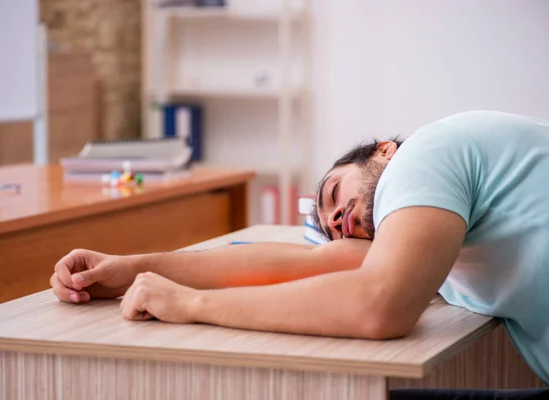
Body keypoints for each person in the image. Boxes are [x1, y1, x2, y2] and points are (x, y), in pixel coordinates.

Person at [50, 110, 549, 397]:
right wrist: (130, 268)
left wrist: (189, 305)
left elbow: (378, 305)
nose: (335, 219)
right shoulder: (437, 240)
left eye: (334, 193)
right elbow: (297, 263)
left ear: (382, 151)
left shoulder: (422, 156)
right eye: (332, 225)